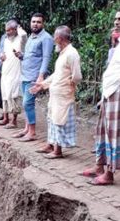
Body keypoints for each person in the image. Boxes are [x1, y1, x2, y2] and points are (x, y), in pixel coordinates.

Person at [30, 26, 82, 159]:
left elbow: (77, 76)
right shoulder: (63, 53)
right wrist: (42, 85)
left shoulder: (72, 53)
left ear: (60, 39)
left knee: (59, 120)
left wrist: (70, 84)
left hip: (64, 94)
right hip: (56, 94)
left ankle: (58, 151)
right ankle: (51, 144)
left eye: (55, 37)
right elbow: (57, 74)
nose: (53, 40)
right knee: (51, 118)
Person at [79, 29, 120, 186]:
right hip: (110, 91)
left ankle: (109, 173)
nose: (117, 22)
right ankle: (99, 166)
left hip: (117, 90)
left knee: (113, 132)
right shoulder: (116, 45)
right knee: (103, 129)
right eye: (116, 19)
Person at [13, 13, 54, 142]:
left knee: (28, 102)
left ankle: (32, 132)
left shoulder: (46, 38)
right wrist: (21, 55)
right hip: (25, 74)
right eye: (33, 21)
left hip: (34, 76)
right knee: (25, 103)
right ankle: (26, 129)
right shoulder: (31, 36)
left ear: (43, 24)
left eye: (38, 22)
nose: (35, 24)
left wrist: (41, 77)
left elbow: (46, 58)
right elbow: (31, 55)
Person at [0, 20, 27, 128]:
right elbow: (3, 53)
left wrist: (19, 28)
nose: (7, 32)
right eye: (6, 30)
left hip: (16, 71)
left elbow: (24, 35)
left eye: (9, 30)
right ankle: (6, 118)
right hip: (6, 69)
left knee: (14, 94)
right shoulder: (6, 40)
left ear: (15, 29)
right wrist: (2, 56)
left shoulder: (21, 39)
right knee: (5, 94)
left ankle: (14, 121)